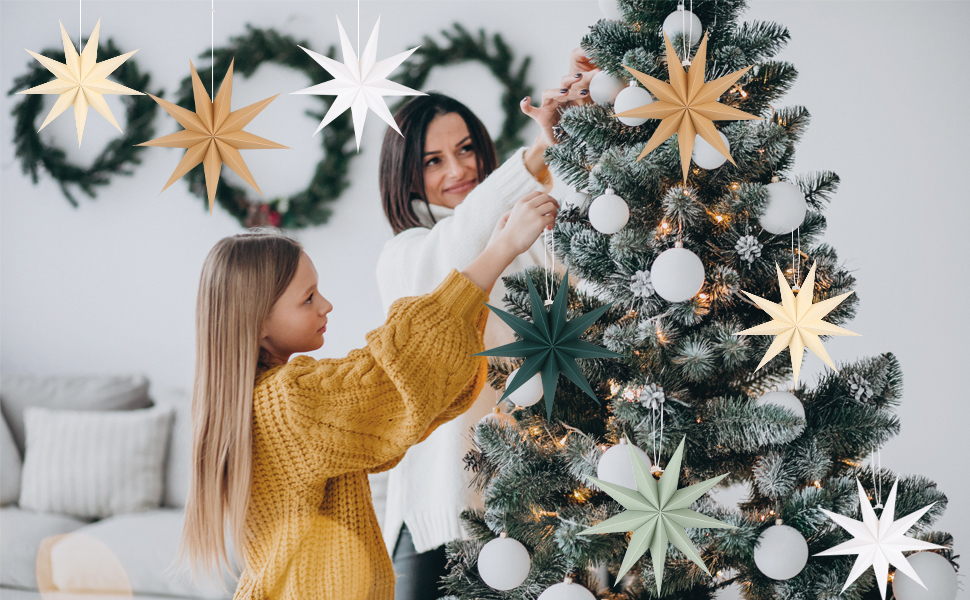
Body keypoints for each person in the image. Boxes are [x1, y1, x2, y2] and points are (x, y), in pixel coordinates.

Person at [171, 192, 558, 600]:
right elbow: (395, 373)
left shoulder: (256, 402)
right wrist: (499, 252)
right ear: (258, 320)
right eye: (308, 298)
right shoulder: (290, 402)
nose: (326, 305)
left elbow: (395, 407)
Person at [374, 48, 597, 599]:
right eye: (432, 160)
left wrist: (586, 131)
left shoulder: (523, 239)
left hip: (535, 499)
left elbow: (590, 273)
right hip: (443, 510)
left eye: (466, 149)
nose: (458, 170)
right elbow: (463, 250)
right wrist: (541, 150)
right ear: (404, 176)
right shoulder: (407, 255)